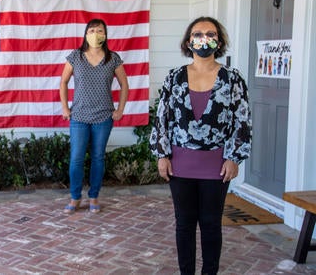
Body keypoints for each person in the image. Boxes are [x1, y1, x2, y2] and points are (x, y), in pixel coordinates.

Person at [150, 16, 252, 275]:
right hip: (180, 166)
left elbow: (242, 119)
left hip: (217, 167)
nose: (203, 38)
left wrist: (234, 158)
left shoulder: (232, 79)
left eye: (210, 33)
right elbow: (162, 117)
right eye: (197, 34)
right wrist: (162, 154)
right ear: (188, 41)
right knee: (184, 224)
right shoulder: (174, 78)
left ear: (219, 41)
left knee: (210, 224)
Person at [59, 18, 129, 214]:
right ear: (85, 34)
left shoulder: (112, 58)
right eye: (91, 30)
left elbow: (125, 85)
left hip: (104, 117)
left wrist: (120, 110)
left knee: (98, 158)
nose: (95, 34)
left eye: (99, 30)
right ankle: (75, 198)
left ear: (105, 35)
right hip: (79, 116)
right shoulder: (76, 56)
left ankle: (94, 196)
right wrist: (65, 108)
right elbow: (63, 82)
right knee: (76, 159)